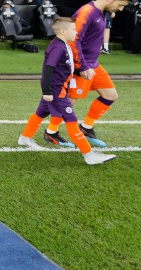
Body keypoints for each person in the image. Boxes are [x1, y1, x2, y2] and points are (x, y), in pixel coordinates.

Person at [44, 0, 133, 148]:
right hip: (80, 66)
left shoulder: (101, 11)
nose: (120, 9)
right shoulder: (87, 13)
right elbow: (72, 41)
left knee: (110, 95)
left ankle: (86, 127)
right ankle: (51, 132)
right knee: (69, 102)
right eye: (120, 5)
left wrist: (110, 11)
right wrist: (82, 67)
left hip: (93, 64)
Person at [18, 18, 116, 165]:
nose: (76, 32)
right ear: (63, 31)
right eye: (73, 29)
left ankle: (25, 138)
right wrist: (47, 91)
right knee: (71, 121)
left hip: (58, 88)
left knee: (41, 113)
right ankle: (89, 154)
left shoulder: (63, 45)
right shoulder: (58, 47)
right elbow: (48, 69)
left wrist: (80, 71)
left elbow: (63, 67)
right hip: (57, 91)